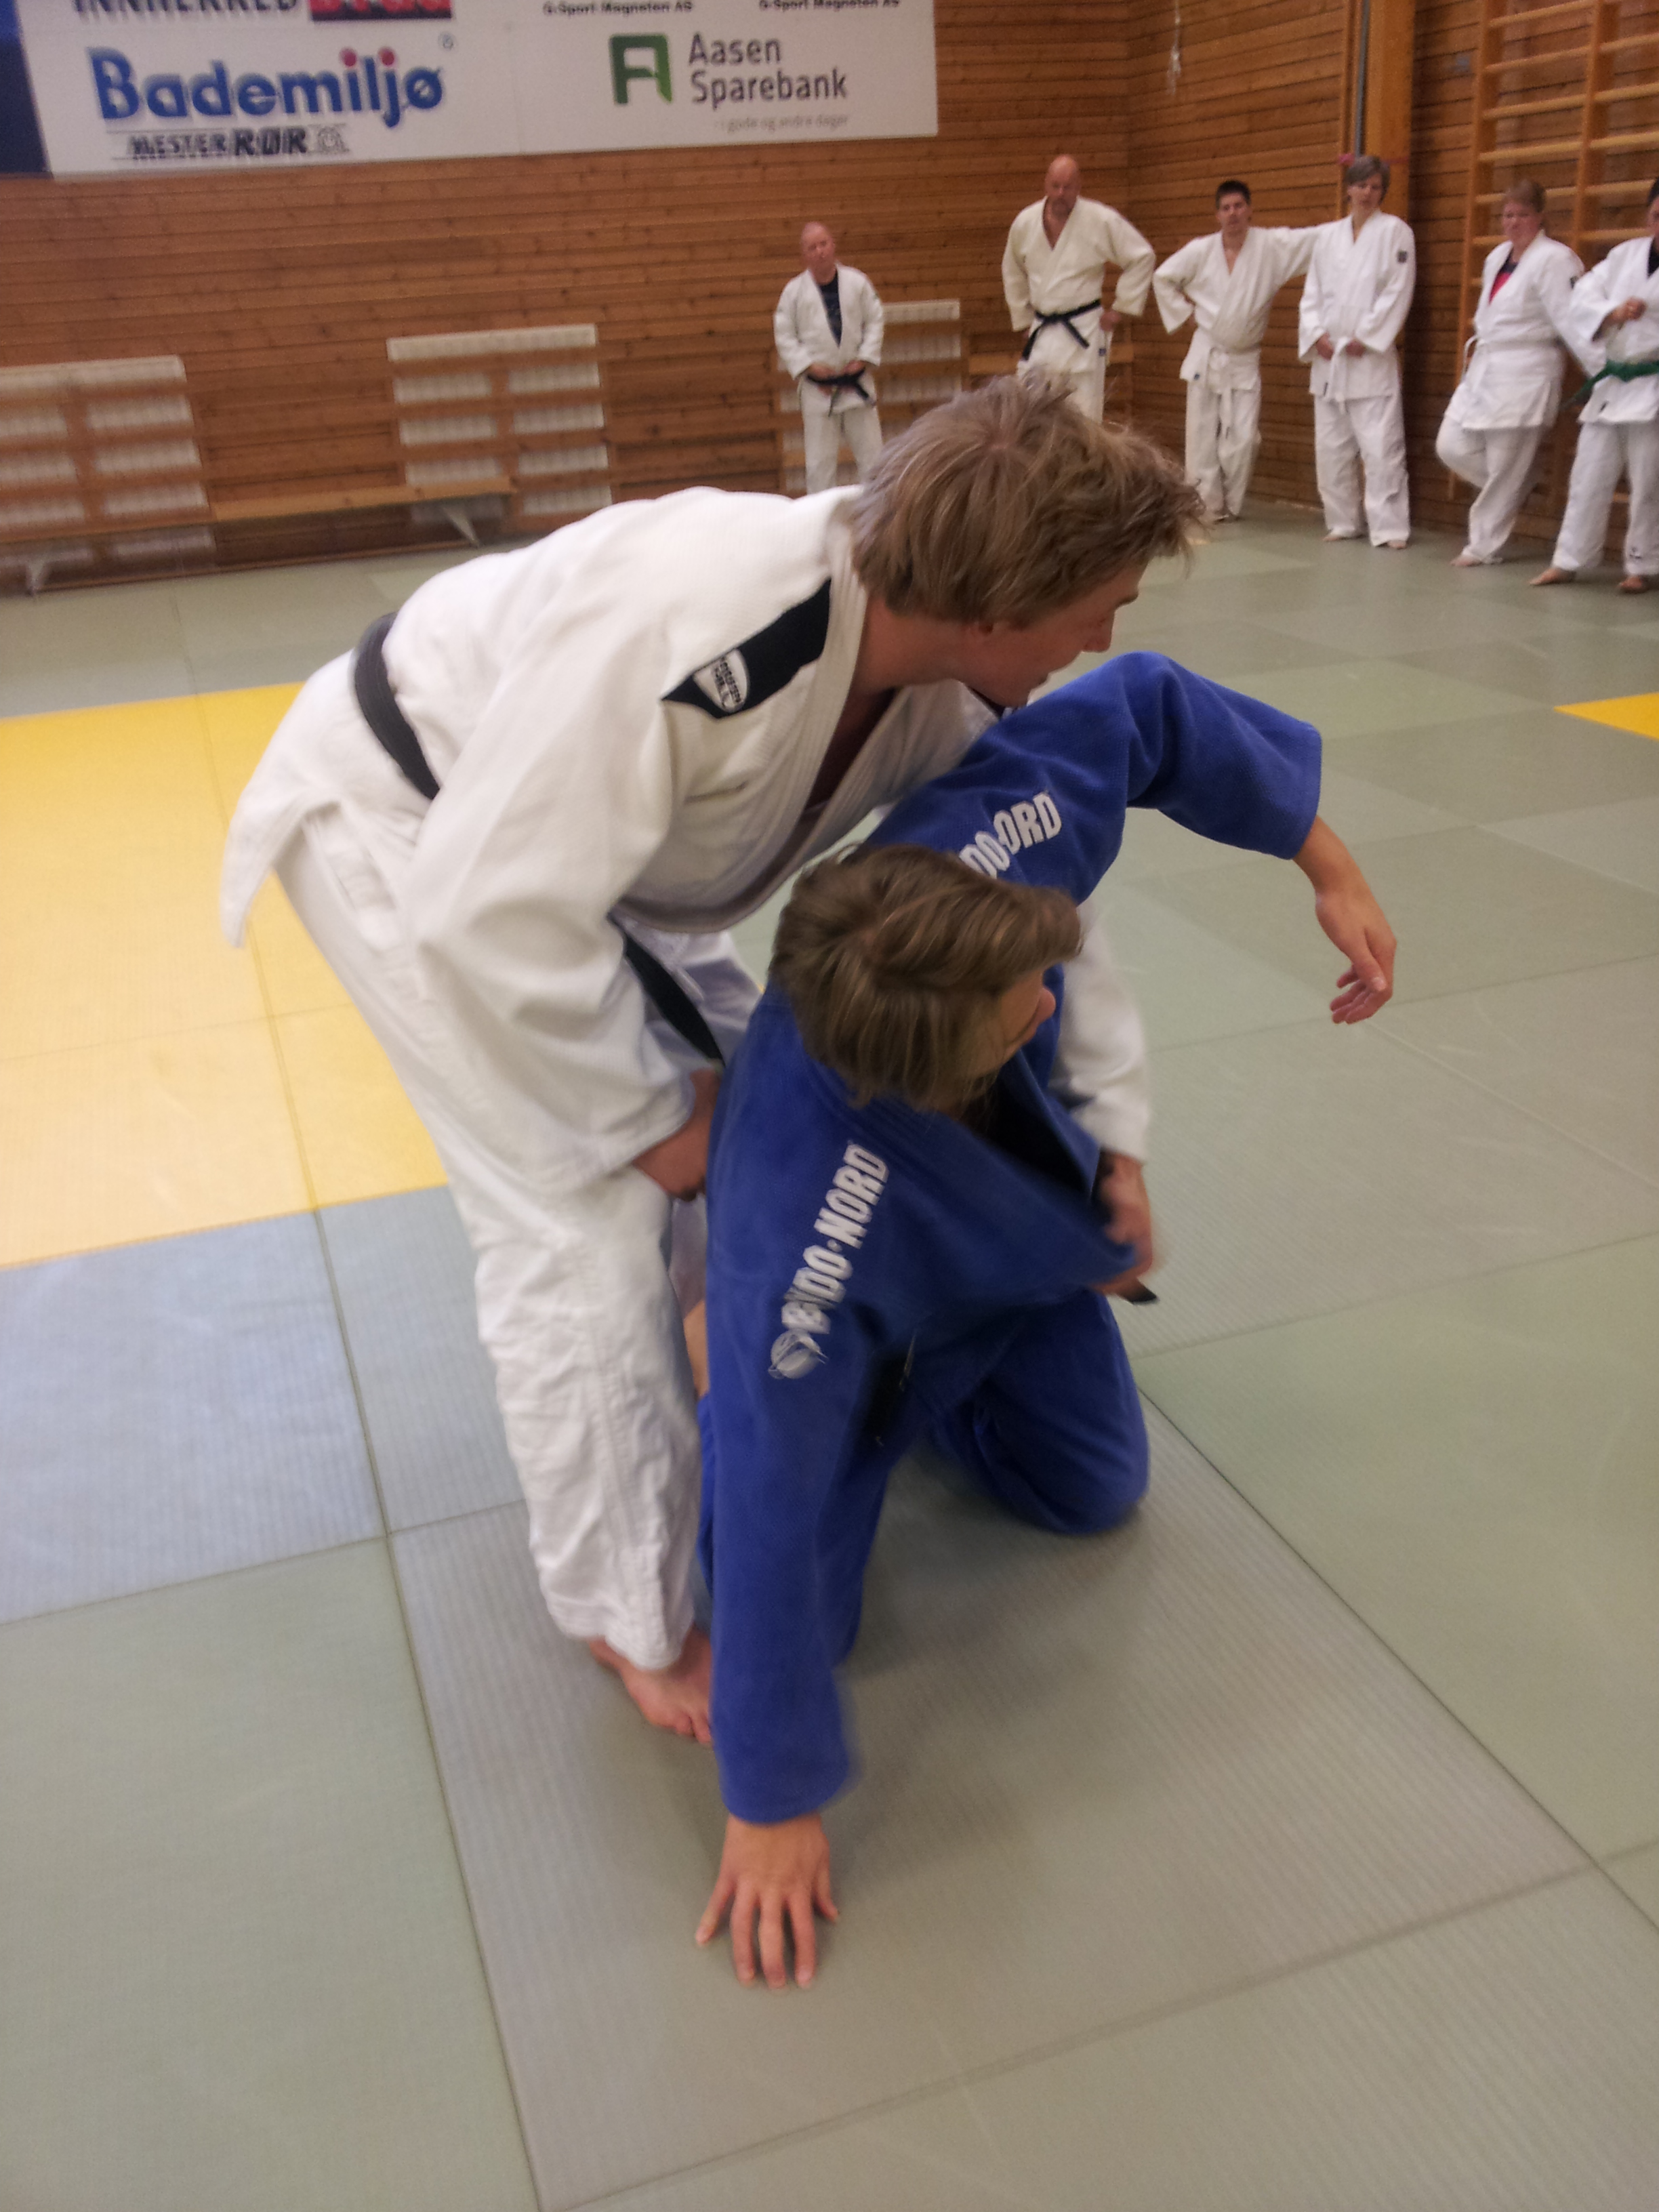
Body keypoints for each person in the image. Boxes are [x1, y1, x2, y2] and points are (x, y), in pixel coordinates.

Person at [218, 379, 1197, 1744]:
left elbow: (1029, 915)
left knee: (784, 1116)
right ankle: (626, 1610)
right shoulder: (710, 626)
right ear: (994, 604)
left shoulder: (949, 684)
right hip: (414, 825)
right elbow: (484, 910)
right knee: (584, 1216)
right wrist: (641, 1114)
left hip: (592, 853)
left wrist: (1110, 1136)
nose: (1101, 640)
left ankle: (764, 1373)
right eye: (1096, 607)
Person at [693, 653, 1398, 1989]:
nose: (1047, 998)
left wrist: (1328, 863)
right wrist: (770, 1796)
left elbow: (1142, 705)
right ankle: (731, 1371)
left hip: (989, 1276)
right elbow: (776, 1504)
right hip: (841, 1315)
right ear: (933, 1076)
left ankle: (951, 1352)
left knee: (1093, 1488)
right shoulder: (805, 1235)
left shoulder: (974, 859)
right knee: (778, 1599)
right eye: (1022, 1004)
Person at [1153, 178, 1319, 523]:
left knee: (1244, 440)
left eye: (1239, 206)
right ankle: (1204, 505)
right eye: (1226, 208)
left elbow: (1314, 240)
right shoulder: (1201, 251)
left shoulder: (1271, 247)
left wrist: (1351, 227)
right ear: (1217, 215)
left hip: (1244, 358)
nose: (1233, 214)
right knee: (1200, 434)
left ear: (1250, 209)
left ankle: (1231, 502)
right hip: (1207, 351)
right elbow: (1163, 277)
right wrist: (1184, 315)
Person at [1436, 181, 1584, 568]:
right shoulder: (1496, 257)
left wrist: (1601, 370)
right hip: (1487, 365)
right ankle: (1522, 481)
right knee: (1451, 445)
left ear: (1540, 217)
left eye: (1522, 215)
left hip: (1528, 369)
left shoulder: (1556, 260)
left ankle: (1482, 547)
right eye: (1508, 215)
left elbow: (1572, 321)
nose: (1513, 222)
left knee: (1505, 466)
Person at [1532, 179, 1659, 594]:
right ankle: (1569, 560)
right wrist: (1614, 311)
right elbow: (1584, 294)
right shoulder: (1625, 256)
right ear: (1648, 217)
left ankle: (1643, 564)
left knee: (1649, 481)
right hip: (1614, 383)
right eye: (1657, 216)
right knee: (1588, 474)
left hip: (1653, 385)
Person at [1298, 155, 1417, 548]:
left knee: (1381, 449)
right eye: (1361, 185)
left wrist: (1365, 337)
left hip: (1368, 357)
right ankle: (1343, 521)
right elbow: (1312, 293)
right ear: (1348, 188)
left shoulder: (1396, 232)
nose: (1367, 193)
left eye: (1375, 187)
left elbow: (1398, 290)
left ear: (1383, 192)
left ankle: (1390, 528)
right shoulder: (1328, 237)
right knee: (1331, 449)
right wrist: (1316, 334)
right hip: (1329, 359)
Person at [1002, 155, 1155, 422]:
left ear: (1079, 186)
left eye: (1068, 187)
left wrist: (1121, 309)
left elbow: (1142, 256)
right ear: (1046, 184)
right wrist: (1023, 318)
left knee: (1085, 419)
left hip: (1083, 331)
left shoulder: (1100, 219)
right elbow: (1012, 270)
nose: (1061, 194)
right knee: (1035, 418)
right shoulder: (1025, 223)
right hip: (1043, 333)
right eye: (1055, 186)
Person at [774, 222, 886, 494]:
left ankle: (880, 513)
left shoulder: (857, 282)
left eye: (823, 244)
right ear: (804, 255)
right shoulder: (793, 292)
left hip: (855, 383)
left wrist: (864, 358)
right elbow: (784, 335)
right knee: (819, 467)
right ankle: (819, 517)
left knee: (874, 460)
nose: (820, 251)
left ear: (833, 245)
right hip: (819, 391)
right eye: (812, 247)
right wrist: (808, 367)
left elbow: (876, 319)